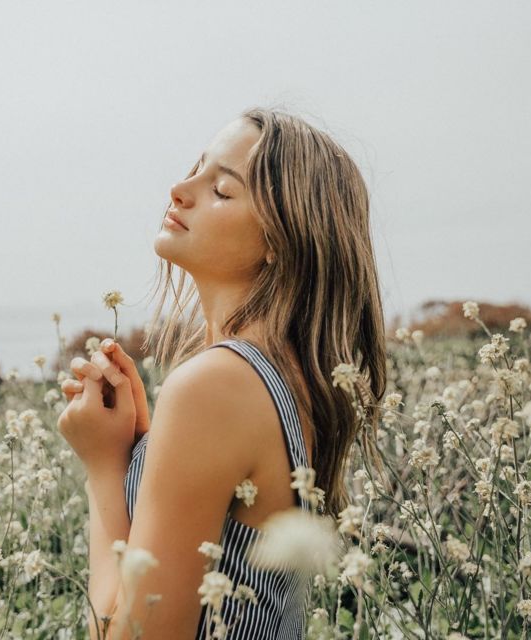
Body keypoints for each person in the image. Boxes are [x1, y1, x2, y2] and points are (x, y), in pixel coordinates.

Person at [57, 107, 387, 639]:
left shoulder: (216, 386)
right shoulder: (283, 380)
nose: (179, 189)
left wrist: (104, 467)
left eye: (222, 190)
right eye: (196, 169)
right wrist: (143, 447)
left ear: (281, 239)